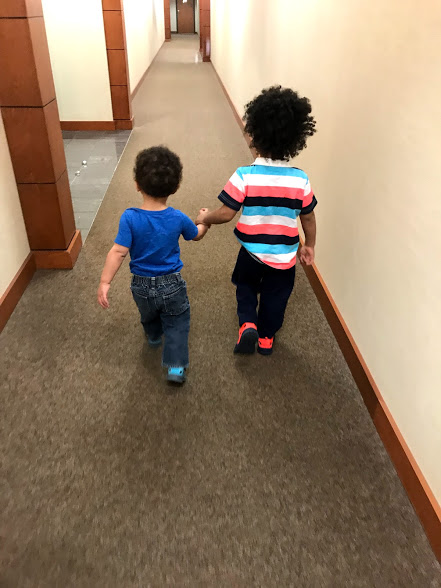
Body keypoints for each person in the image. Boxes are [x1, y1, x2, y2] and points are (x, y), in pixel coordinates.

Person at [196, 86, 317, 356]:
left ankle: (248, 323)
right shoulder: (300, 179)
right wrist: (309, 244)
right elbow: (308, 216)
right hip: (284, 257)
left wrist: (205, 217)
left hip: (251, 252)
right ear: (295, 139)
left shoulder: (245, 175)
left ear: (255, 136)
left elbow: (226, 213)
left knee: (246, 287)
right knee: (276, 297)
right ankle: (266, 338)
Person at [97, 146, 209, 384]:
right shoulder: (178, 217)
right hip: (172, 284)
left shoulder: (129, 217)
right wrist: (204, 221)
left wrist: (105, 281)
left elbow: (118, 251)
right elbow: (196, 235)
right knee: (177, 322)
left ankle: (154, 336)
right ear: (175, 187)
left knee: (148, 314)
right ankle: (175, 368)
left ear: (137, 184)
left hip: (140, 285)